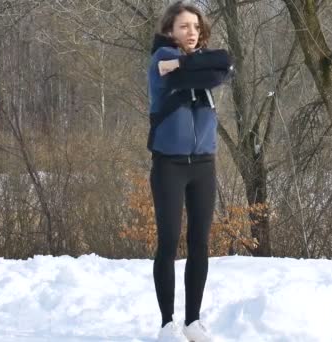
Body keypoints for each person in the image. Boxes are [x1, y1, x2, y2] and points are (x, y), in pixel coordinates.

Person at [146, 1, 233, 341]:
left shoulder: (181, 61)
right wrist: (191, 66)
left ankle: (193, 322)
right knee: (168, 243)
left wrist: (184, 63)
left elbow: (223, 62)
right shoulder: (159, 59)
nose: (192, 33)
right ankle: (168, 324)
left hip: (203, 165)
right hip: (169, 164)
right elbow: (213, 70)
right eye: (184, 27)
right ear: (170, 30)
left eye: (196, 27)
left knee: (200, 243)